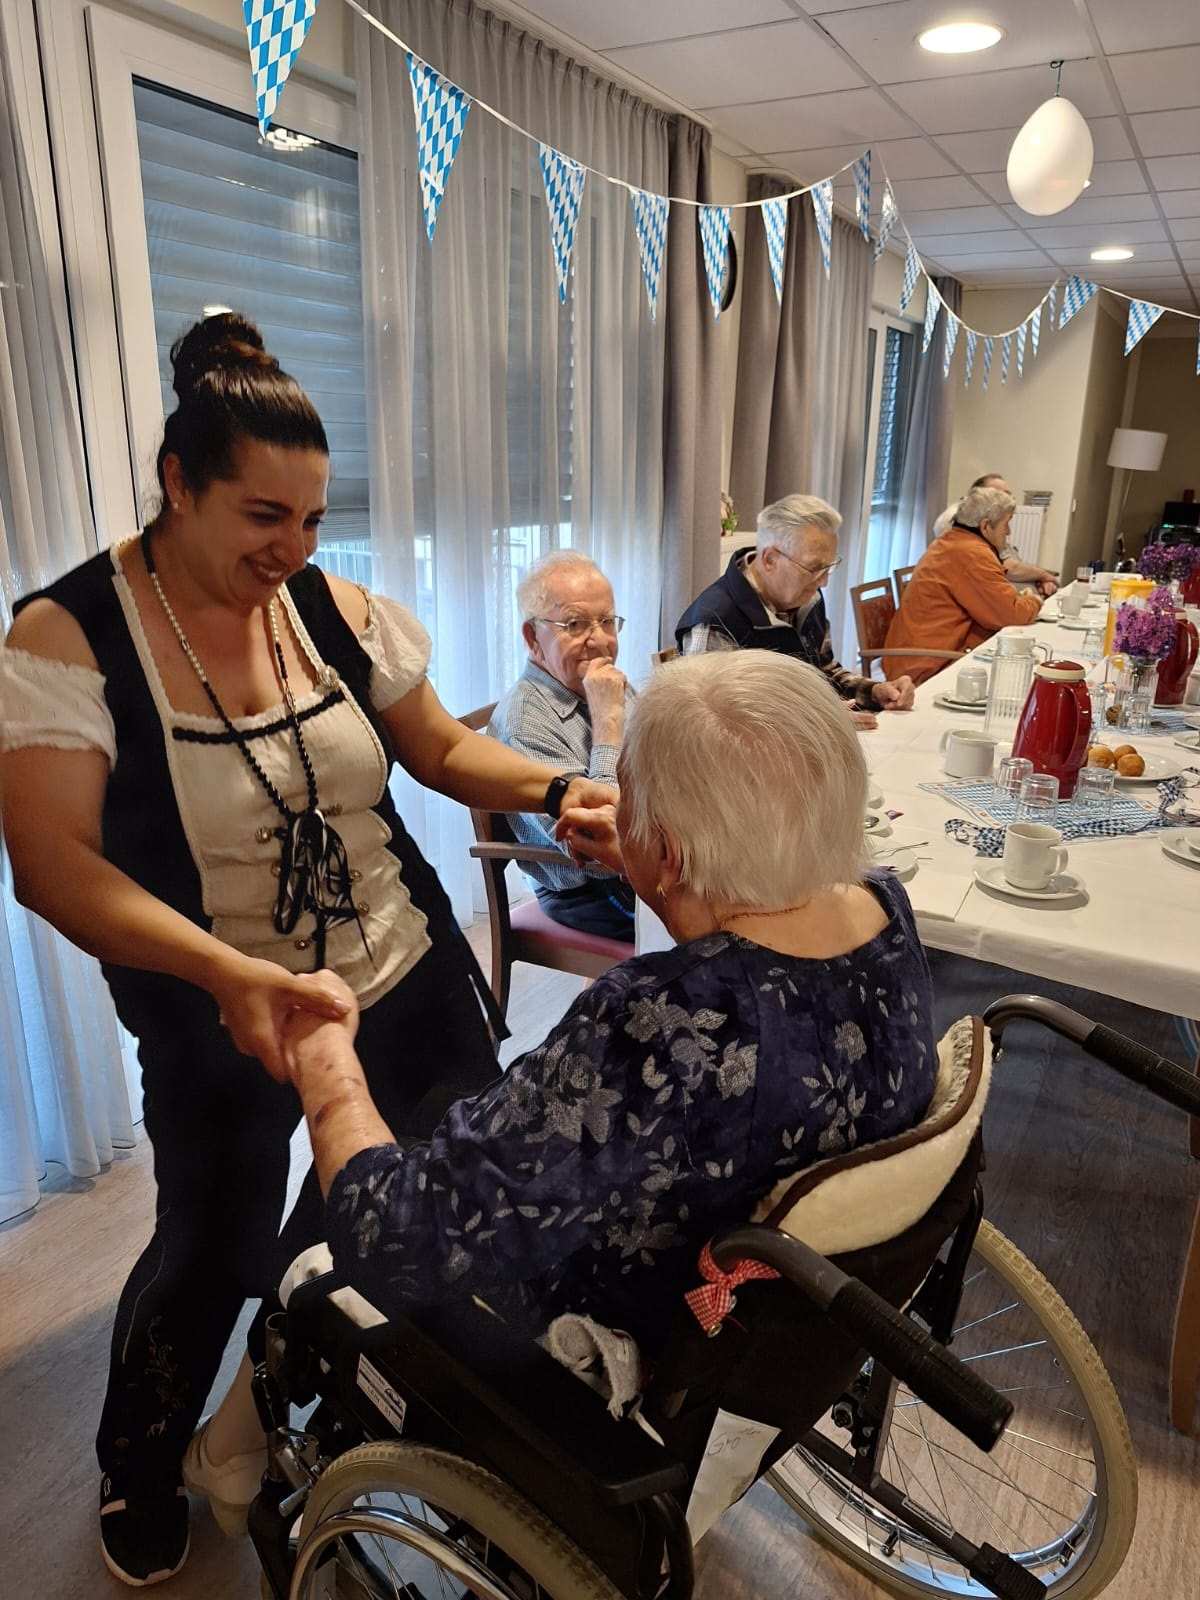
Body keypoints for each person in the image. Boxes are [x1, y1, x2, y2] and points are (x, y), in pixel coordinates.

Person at [0, 313, 615, 1587]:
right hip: (218, 1001)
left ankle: (274, 1414)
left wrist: (559, 795)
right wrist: (232, 976)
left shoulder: (327, 608)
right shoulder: (67, 637)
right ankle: (143, 1448)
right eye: (262, 517)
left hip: (402, 969)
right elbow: (54, 865)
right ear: (179, 485)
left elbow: (441, 752)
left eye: (315, 520)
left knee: (398, 1211)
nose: (293, 550)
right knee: (213, 1247)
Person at [190, 651, 938, 1514]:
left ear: (673, 843)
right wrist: (661, 866)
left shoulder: (663, 1021)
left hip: (612, 1325)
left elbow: (394, 1237)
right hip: (774, 1273)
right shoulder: (885, 909)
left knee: (403, 1140)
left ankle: (236, 1442)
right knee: (457, 1103)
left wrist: (324, 1062)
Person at [488, 550, 634, 941]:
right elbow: (599, 853)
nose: (601, 641)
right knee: (729, 919)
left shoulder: (599, 683)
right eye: (575, 624)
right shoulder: (524, 723)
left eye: (607, 621)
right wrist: (608, 724)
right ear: (533, 638)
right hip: (592, 890)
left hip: (645, 854)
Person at [675, 494, 915, 729]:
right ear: (769, 559)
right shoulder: (715, 622)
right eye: (814, 568)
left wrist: (874, 691)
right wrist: (818, 722)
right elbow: (715, 724)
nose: (823, 583)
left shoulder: (806, 597)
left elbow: (825, 671)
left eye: (828, 568)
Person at [884, 483, 1043, 684]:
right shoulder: (971, 554)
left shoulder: (952, 542)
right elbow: (1012, 614)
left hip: (920, 657)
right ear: (985, 526)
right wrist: (1035, 600)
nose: (1009, 532)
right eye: (1006, 523)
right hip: (929, 666)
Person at [933, 474, 1058, 595]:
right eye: (999, 495)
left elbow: (1013, 566)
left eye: (1008, 495)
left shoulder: (993, 519)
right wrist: (1043, 577)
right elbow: (1006, 568)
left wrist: (1038, 579)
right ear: (980, 496)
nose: (1008, 531)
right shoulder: (961, 519)